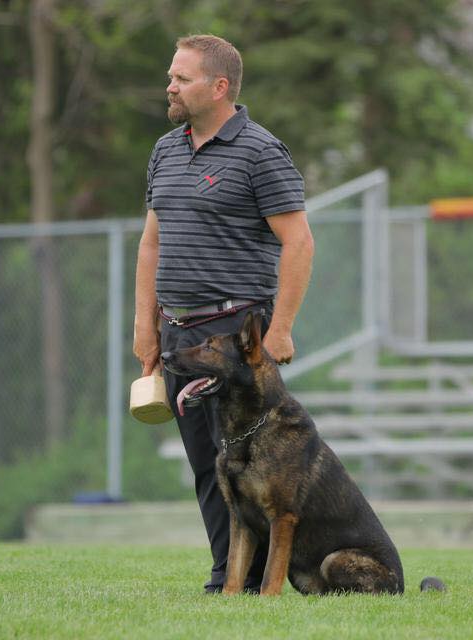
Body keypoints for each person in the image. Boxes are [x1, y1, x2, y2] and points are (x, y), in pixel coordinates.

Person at [133, 34, 314, 594]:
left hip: (237, 334)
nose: (170, 85)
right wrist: (145, 328)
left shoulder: (261, 151)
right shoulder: (165, 149)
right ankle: (227, 577)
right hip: (180, 330)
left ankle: (263, 579)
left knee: (249, 462)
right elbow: (151, 245)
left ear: (219, 86)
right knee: (209, 466)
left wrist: (279, 327)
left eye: (181, 78)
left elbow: (299, 241)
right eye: (171, 75)